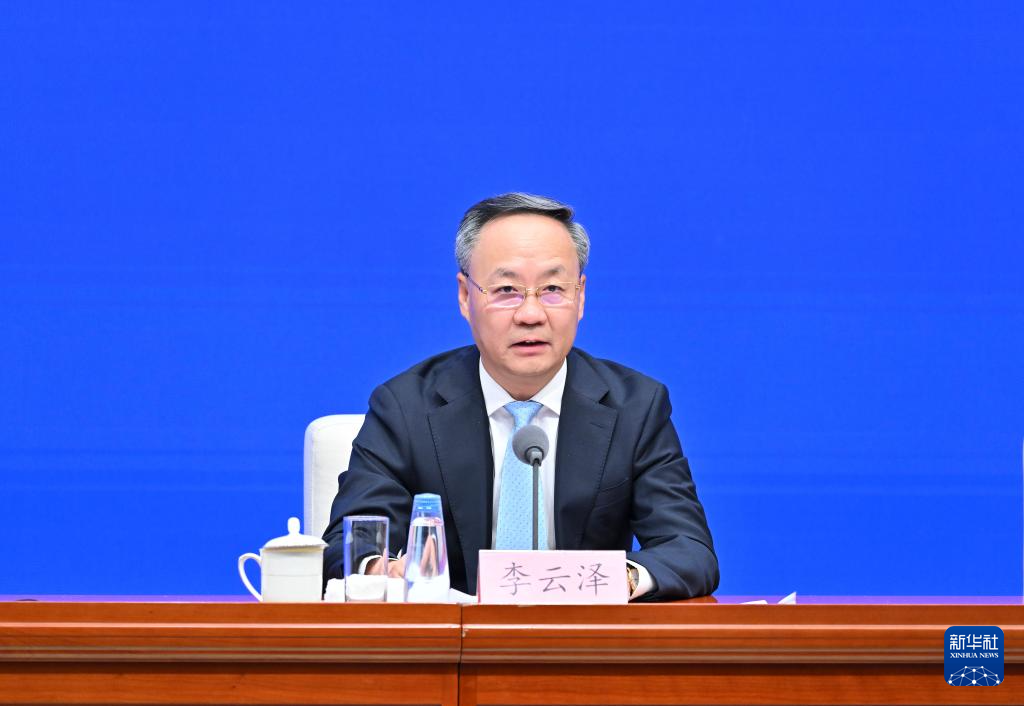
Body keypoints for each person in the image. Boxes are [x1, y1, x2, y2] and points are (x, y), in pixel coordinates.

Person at [323, 193, 718, 600]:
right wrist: (381, 570)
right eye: (507, 289)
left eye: (553, 289)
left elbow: (689, 551)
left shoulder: (635, 407)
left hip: (583, 636)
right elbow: (348, 544)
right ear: (465, 297)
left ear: (580, 296)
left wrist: (619, 579)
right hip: (455, 636)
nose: (531, 314)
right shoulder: (406, 407)